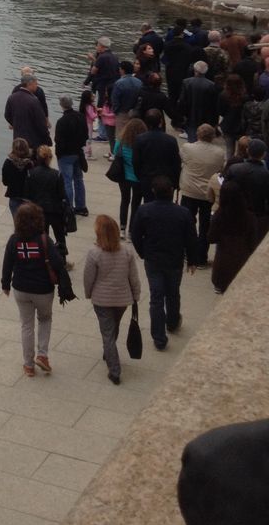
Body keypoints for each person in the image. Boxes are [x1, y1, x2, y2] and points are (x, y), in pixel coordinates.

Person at [130, 176, 198, 351]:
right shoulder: (183, 213)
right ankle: (172, 321)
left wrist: (142, 252)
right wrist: (192, 260)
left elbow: (135, 234)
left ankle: (159, 337)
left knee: (156, 297)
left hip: (153, 260)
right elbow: (191, 238)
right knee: (173, 293)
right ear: (171, 192)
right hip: (174, 259)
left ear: (153, 191)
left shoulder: (144, 210)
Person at [1, 201, 65, 378]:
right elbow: (58, 263)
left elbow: (7, 264)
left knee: (26, 325)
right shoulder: (44, 240)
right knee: (45, 319)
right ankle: (42, 355)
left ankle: (28, 365)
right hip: (43, 289)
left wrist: (5, 284)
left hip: (21, 289)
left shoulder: (14, 240)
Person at [83, 214, 141, 385]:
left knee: (107, 332)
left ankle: (114, 370)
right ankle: (109, 351)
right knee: (113, 326)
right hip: (122, 299)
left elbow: (88, 277)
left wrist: (88, 293)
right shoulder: (127, 252)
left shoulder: (94, 253)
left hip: (102, 299)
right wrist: (136, 295)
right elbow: (134, 277)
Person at [178, 124, 225, 263]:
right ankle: (201, 257)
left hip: (189, 190)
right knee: (205, 226)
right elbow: (221, 169)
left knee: (187, 223)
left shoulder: (187, 148)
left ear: (198, 134)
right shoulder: (219, 153)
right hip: (207, 193)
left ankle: (188, 252)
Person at [207, 179, 258, 295]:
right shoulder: (250, 217)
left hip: (223, 262)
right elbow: (253, 242)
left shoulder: (218, 217)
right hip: (243, 260)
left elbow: (211, 238)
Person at [25, 144, 69, 259]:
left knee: (42, 239)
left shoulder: (31, 174)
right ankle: (62, 261)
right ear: (49, 158)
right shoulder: (57, 174)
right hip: (55, 211)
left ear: (38, 159)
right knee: (60, 238)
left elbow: (28, 194)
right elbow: (62, 195)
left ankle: (45, 260)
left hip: (38, 212)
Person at [110, 116, 148, 239]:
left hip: (124, 176)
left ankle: (122, 228)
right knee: (136, 203)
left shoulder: (121, 141)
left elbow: (115, 153)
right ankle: (132, 230)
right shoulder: (143, 143)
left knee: (124, 201)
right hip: (137, 178)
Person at [132, 108, 181, 198]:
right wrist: (176, 182)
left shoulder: (140, 139)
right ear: (161, 122)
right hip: (166, 179)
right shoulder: (171, 140)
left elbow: (136, 161)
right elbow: (176, 163)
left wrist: (140, 177)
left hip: (147, 178)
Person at [54, 95, 88, 216]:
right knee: (79, 179)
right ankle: (81, 206)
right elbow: (86, 135)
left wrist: (58, 154)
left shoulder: (61, 122)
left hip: (66, 155)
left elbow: (58, 140)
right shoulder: (81, 117)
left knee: (67, 181)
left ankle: (69, 208)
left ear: (62, 105)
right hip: (78, 152)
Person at [4, 73, 51, 153]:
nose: (37, 86)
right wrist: (48, 140)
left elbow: (7, 115)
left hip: (18, 140)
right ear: (30, 84)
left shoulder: (12, 97)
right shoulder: (34, 100)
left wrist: (16, 124)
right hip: (33, 142)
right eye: (36, 84)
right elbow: (41, 123)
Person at [179, 61, 219, 144]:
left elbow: (182, 101)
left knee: (192, 140)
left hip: (191, 116)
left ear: (195, 70)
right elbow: (214, 105)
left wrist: (182, 115)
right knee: (205, 141)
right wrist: (215, 122)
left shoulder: (186, 82)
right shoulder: (211, 85)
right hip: (206, 118)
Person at [1, 137, 32, 218]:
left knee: (18, 224)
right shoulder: (30, 164)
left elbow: (5, 182)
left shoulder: (8, 163)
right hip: (27, 197)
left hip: (14, 195)